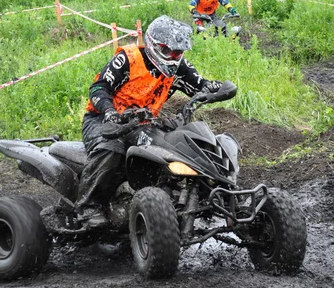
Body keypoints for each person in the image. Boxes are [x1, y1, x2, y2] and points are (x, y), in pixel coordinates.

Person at [75, 15, 224, 228]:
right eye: (167, 51)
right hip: (104, 120)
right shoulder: (128, 59)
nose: (172, 57)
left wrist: (218, 88)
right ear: (153, 45)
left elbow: (201, 85)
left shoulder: (179, 67)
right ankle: (89, 207)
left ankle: (196, 194)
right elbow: (98, 89)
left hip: (143, 123)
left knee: (176, 143)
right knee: (111, 149)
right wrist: (109, 111)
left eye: (178, 52)